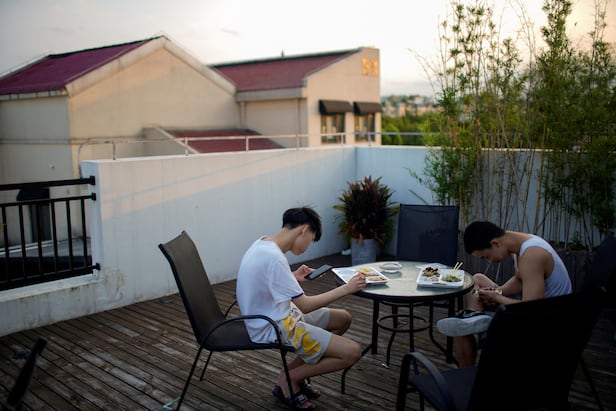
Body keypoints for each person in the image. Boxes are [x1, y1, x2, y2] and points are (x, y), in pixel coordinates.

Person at [236, 206, 366, 409]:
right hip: (276, 326)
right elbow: (305, 305)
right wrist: (347, 289)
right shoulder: (274, 257)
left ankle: (292, 374)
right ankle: (290, 378)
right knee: (352, 352)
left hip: (281, 314)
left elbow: (266, 280)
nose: (308, 246)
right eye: (311, 239)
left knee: (343, 319)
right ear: (304, 229)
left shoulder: (263, 243)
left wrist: (293, 277)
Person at [436, 221, 572, 367]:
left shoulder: (532, 255)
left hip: (549, 321)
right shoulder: (522, 244)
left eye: (485, 257)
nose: (488, 262)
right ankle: (474, 316)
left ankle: (471, 324)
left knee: (460, 327)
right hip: (542, 310)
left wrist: (498, 298)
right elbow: (521, 279)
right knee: (478, 279)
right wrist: (498, 291)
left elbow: (531, 309)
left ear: (495, 243)